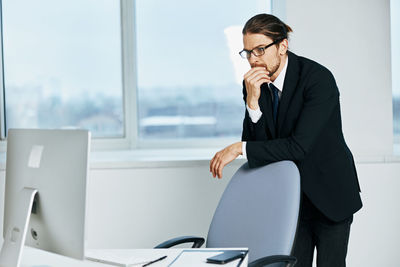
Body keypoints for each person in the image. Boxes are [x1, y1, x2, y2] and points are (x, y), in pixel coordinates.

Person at [209, 13, 362, 267]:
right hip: (293, 201)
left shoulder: (317, 79)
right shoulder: (255, 85)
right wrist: (252, 102)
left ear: (282, 46)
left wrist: (238, 148)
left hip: (331, 194)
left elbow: (298, 146)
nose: (253, 60)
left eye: (260, 50)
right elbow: (259, 151)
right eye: (247, 53)